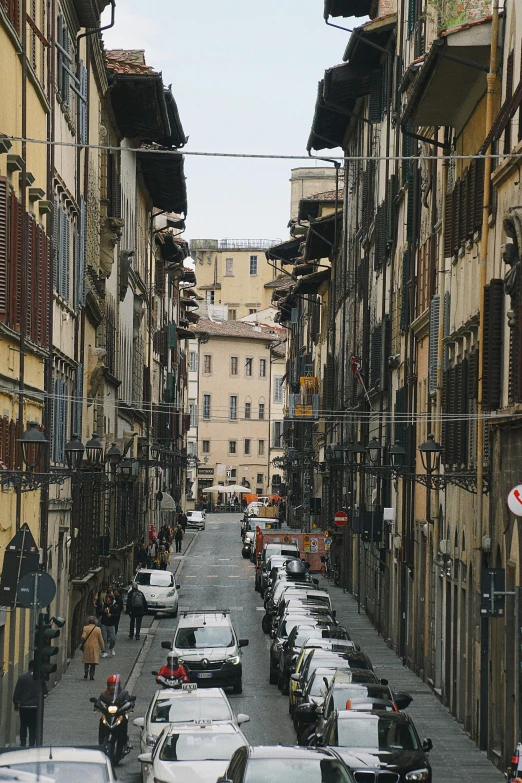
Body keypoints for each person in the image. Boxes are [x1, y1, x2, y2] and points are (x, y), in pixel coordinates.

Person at [98, 675, 134, 747]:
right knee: (102, 720)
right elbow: (100, 701)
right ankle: (101, 740)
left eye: (114, 685)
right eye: (111, 685)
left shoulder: (124, 693)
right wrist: (97, 705)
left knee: (124, 721)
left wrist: (130, 705)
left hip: (119, 713)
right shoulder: (104, 694)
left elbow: (129, 700)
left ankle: (123, 742)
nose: (113, 687)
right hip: (108, 714)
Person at [13, 661, 42, 747]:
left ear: (29, 667)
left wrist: (16, 703)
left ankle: (22, 743)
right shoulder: (39, 678)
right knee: (33, 727)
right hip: (35, 707)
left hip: (24, 707)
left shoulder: (22, 677)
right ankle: (32, 744)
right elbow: (45, 691)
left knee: (23, 725)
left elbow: (17, 692)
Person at [81, 615, 104, 680]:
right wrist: (103, 648)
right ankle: (91, 675)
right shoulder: (98, 629)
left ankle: (86, 673)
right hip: (94, 647)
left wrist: (82, 639)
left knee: (87, 661)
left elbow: (83, 637)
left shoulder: (85, 628)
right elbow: (101, 640)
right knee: (93, 663)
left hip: (87, 646)